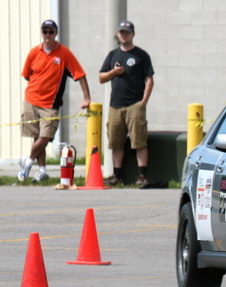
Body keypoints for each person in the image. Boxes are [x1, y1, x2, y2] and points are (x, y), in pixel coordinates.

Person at [18, 19, 91, 182]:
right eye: (45, 31)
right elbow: (27, 76)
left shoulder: (64, 53)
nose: (47, 35)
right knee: (37, 138)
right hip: (31, 100)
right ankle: (42, 171)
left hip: (50, 105)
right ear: (41, 33)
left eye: (51, 32)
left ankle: (27, 162)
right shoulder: (34, 52)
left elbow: (80, 74)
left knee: (45, 136)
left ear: (56, 33)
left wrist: (86, 98)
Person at [99, 20, 154, 187]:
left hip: (135, 104)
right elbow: (101, 77)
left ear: (133, 34)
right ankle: (117, 176)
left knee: (139, 140)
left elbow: (149, 79)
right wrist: (114, 72)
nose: (124, 35)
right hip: (115, 105)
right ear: (118, 35)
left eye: (127, 32)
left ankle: (142, 176)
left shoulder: (141, 55)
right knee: (116, 141)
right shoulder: (112, 55)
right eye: (121, 32)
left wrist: (143, 102)